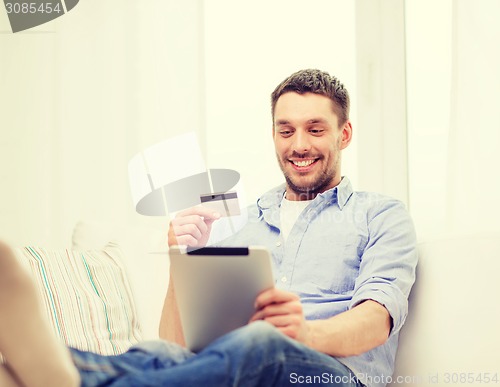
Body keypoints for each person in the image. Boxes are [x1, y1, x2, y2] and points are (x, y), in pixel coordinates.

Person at [0, 69, 417, 387]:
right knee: (157, 350)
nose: (299, 145)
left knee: (262, 343)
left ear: (344, 134)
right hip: (241, 371)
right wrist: (180, 262)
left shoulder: (380, 215)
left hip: (332, 377)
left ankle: (71, 374)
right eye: (285, 130)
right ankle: (52, 369)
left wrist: (304, 333)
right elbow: (181, 344)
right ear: (272, 134)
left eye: (315, 129)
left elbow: (376, 320)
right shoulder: (238, 222)